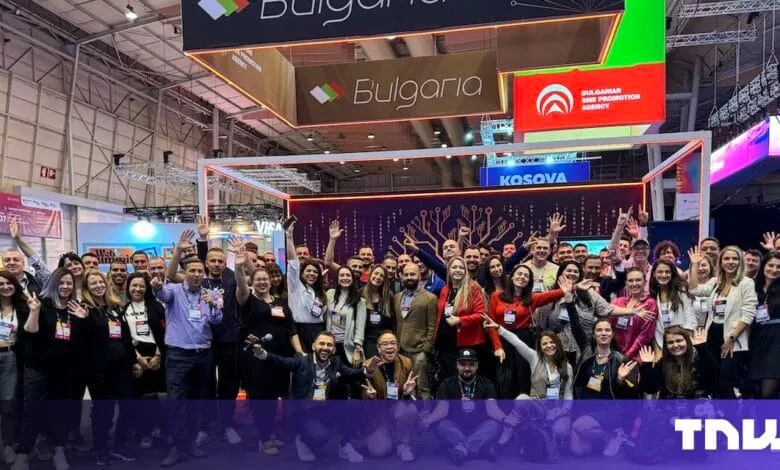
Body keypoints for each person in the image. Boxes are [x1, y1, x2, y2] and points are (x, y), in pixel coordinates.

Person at [250, 331, 381, 463]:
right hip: (304, 411)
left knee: (354, 405)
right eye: (322, 344)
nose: (325, 347)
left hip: (324, 408)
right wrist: (261, 352)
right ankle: (302, 440)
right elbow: (281, 362)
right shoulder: (301, 360)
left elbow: (353, 373)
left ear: (334, 349)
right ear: (314, 346)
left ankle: (344, 446)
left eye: (329, 345)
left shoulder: (336, 362)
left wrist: (368, 370)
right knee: (320, 436)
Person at [152, 257, 222, 467]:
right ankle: (178, 446)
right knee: (176, 402)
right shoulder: (174, 290)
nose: (197, 274)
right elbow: (161, 293)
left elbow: (217, 320)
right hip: (179, 355)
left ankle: (190, 442)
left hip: (203, 355)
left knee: (196, 401)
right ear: (185, 272)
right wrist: (156, 287)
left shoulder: (211, 294)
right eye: (192, 270)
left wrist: (213, 305)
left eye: (200, 271)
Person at [235, 244, 303, 455]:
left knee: (274, 397)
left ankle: (270, 433)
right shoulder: (248, 300)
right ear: (252, 282)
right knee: (260, 398)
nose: (262, 282)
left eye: (265, 279)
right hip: (257, 358)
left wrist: (299, 352)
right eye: (258, 279)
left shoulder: (281, 302)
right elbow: (240, 286)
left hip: (280, 357)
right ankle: (263, 439)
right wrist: (239, 267)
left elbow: (292, 330)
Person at [14, 268, 82, 470]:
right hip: (37, 367)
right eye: (61, 282)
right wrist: (34, 311)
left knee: (60, 412)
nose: (65, 286)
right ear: (53, 283)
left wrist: (82, 319)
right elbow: (30, 332)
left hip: (63, 369)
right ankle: (23, 455)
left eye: (69, 283)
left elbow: (78, 339)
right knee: (32, 411)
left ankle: (58, 452)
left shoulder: (74, 306)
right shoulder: (41, 303)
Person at [76, 270, 137, 465]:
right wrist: (83, 320)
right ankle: (101, 449)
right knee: (103, 410)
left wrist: (133, 360)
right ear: (86, 288)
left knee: (128, 406)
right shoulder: (84, 309)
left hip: (122, 366)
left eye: (100, 282)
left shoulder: (115, 307)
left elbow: (125, 336)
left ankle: (120, 445)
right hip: (99, 370)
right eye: (92, 283)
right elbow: (81, 342)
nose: (98, 286)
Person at [482, 314, 574, 443]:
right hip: (538, 407)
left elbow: (569, 393)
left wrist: (564, 411)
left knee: (559, 433)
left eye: (552, 342)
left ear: (557, 344)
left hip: (557, 411)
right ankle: (510, 426)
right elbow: (517, 342)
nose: (549, 346)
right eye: (545, 344)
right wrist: (499, 328)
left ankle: (550, 438)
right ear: (540, 348)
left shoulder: (567, 366)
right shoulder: (534, 358)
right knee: (521, 398)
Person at [488, 264, 571, 398]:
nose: (522, 277)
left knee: (523, 376)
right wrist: (498, 347)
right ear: (512, 276)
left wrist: (567, 289)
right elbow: (490, 324)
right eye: (519, 274)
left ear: (529, 281)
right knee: (504, 378)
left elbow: (554, 294)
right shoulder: (496, 296)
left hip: (523, 339)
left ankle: (524, 409)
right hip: (502, 339)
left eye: (526, 276)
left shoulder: (532, 298)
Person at [688, 245, 757, 398]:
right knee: (714, 377)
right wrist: (693, 265)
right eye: (726, 258)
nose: (730, 262)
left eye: (734, 258)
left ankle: (733, 413)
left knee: (725, 379)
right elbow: (694, 290)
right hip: (712, 333)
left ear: (740, 262)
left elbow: (748, 313)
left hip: (732, 336)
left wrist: (732, 338)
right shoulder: (715, 281)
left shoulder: (746, 283)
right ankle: (721, 413)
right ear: (721, 262)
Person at [421, 349, 505, 466]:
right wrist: (430, 419)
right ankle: (482, 450)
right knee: (441, 425)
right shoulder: (446, 384)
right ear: (457, 365)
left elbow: (492, 409)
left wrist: (505, 418)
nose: (467, 368)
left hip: (479, 427)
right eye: (463, 364)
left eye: (471, 365)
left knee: (494, 425)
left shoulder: (486, 383)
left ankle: (461, 450)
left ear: (477, 366)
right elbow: (442, 410)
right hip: (455, 428)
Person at [570, 318, 639, 457]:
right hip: (586, 408)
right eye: (599, 330)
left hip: (610, 409)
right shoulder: (587, 353)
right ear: (594, 334)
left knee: (579, 426)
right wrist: (570, 303)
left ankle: (615, 434)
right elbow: (576, 327)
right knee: (578, 451)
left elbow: (631, 395)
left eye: (607, 330)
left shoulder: (621, 359)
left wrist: (620, 379)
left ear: (612, 334)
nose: (603, 333)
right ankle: (604, 437)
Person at [434, 257, 500, 387]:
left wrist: (460, 320)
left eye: (460, 267)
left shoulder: (473, 287)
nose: (457, 270)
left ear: (465, 270)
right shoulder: (445, 289)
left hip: (467, 344)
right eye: (454, 267)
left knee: (467, 381)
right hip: (446, 345)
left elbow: (481, 314)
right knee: (448, 381)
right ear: (449, 270)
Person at [120, 272, 166, 449]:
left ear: (146, 288)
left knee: (159, 397)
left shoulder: (156, 307)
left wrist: (157, 355)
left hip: (156, 354)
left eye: (141, 286)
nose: (137, 289)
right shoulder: (123, 309)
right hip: (135, 355)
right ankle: (144, 433)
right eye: (134, 285)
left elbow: (163, 334)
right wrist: (138, 359)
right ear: (128, 287)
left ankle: (160, 429)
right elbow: (123, 337)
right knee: (140, 398)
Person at [361, 331, 418, 462]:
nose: (389, 347)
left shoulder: (406, 363)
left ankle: (403, 443)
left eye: (393, 343)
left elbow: (414, 394)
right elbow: (362, 398)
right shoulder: (368, 366)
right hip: (377, 412)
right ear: (378, 348)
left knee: (410, 410)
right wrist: (371, 398)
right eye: (385, 344)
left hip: (397, 407)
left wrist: (406, 393)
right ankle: (386, 433)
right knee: (379, 451)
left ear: (397, 347)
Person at [393, 263, 437, 399]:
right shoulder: (396, 297)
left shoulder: (430, 298)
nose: (409, 277)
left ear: (419, 275)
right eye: (406, 274)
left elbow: (432, 326)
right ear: (401, 277)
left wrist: (425, 351)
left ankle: (426, 418)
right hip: (400, 352)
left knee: (422, 388)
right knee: (402, 387)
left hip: (419, 352)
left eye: (412, 274)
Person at [0, 272, 30, 466]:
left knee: (9, 405)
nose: (4, 287)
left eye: (8, 283)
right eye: (0, 284)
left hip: (11, 358)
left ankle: (8, 445)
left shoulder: (22, 307)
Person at [286, 222, 326, 352]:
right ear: (301, 273)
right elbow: (293, 262)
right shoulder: (295, 286)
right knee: (302, 366)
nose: (312, 274)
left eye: (315, 272)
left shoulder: (320, 291)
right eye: (308, 271)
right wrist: (289, 237)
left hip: (318, 331)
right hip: (299, 330)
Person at [638, 327, 711, 398]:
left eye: (679, 340)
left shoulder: (697, 359)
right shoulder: (662, 363)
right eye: (670, 342)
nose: (675, 345)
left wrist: (702, 348)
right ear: (666, 346)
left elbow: (712, 379)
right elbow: (650, 389)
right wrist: (647, 366)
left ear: (687, 341)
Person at [749, 251, 780, 398]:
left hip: (776, 339)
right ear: (763, 266)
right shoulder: (752, 286)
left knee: (768, 389)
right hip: (756, 338)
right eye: (771, 265)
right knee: (755, 386)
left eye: (779, 267)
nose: (774, 269)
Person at [609, 268, 657, 361]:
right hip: (615, 355)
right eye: (630, 280)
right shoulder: (618, 302)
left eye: (638, 280)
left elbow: (645, 335)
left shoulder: (650, 303)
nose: (634, 284)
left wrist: (627, 356)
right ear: (626, 283)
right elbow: (610, 325)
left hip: (637, 357)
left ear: (645, 282)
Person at [325, 266, 367, 373]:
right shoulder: (330, 294)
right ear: (337, 279)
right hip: (331, 345)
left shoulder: (359, 300)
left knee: (350, 377)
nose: (345, 278)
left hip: (347, 346)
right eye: (342, 275)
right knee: (333, 378)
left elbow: (360, 328)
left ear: (352, 279)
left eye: (348, 275)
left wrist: (357, 350)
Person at [648, 259, 697, 350]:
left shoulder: (681, 292)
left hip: (682, 343)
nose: (664, 275)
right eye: (660, 272)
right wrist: (657, 348)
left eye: (667, 272)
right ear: (654, 274)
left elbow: (690, 318)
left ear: (672, 274)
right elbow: (653, 327)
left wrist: (683, 340)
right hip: (662, 345)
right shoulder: (652, 296)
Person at [4, 218, 50, 296]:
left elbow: (40, 266)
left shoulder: (38, 282)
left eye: (16, 260)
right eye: (7, 260)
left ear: (23, 263)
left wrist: (18, 239)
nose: (11, 262)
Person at [361, 265, 395, 358]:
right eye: (376, 273)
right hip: (366, 340)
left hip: (384, 341)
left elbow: (391, 322)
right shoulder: (360, 294)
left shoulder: (389, 296)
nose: (378, 277)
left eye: (382, 276)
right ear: (370, 274)